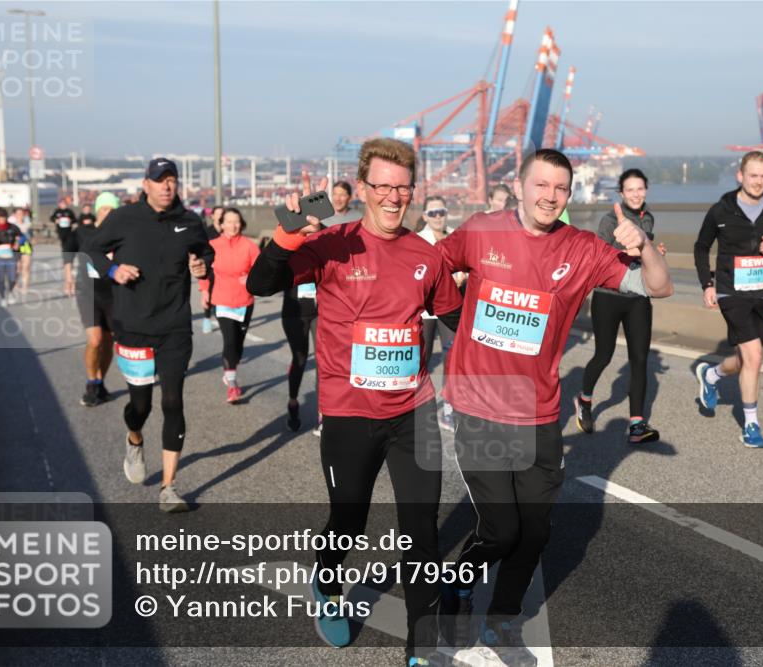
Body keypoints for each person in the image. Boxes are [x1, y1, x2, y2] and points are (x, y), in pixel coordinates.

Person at [435, 149, 673, 666]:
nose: (550, 196)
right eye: (541, 185)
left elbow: (659, 286)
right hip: (479, 406)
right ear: (521, 187)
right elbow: (432, 270)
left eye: (560, 188)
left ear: (569, 195)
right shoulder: (482, 230)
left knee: (536, 532)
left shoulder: (582, 248)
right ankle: (456, 584)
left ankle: (501, 621)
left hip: (540, 413)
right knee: (501, 529)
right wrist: (454, 320)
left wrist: (643, 245)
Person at [247, 138, 463, 667]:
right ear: (362, 189)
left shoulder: (427, 255)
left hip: (414, 411)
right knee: (348, 520)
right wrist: (285, 237)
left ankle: (421, 648)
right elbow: (260, 283)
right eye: (382, 186)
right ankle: (326, 585)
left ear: (413, 191)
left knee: (422, 530)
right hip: (348, 412)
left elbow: (457, 318)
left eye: (402, 188)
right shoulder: (332, 244)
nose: (393, 197)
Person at [87, 157, 213, 512]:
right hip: (134, 326)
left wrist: (202, 265)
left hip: (174, 326)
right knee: (140, 405)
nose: (167, 186)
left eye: (172, 179)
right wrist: (113, 269)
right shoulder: (124, 217)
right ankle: (134, 437)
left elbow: (206, 252)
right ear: (146, 185)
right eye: (160, 180)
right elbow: (92, 249)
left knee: (173, 401)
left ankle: (168, 488)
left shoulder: (190, 220)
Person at [693, 151, 763, 448]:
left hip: (762, 294)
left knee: (746, 359)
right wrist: (707, 284)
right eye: (753, 176)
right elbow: (701, 247)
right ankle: (751, 425)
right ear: (740, 176)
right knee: (755, 357)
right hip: (731, 291)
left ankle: (711, 375)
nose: (758, 182)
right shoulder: (721, 210)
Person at [575, 168, 666, 442]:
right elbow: (598, 257)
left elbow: (645, 253)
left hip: (639, 294)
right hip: (609, 296)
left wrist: (653, 253)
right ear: (621, 193)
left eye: (640, 189)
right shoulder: (608, 220)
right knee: (604, 354)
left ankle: (637, 425)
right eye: (630, 190)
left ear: (646, 190)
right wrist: (633, 252)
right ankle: (584, 400)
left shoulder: (648, 218)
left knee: (639, 359)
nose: (636, 194)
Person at [197, 207, 260, 403]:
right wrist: (204, 290)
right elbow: (204, 270)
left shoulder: (250, 246)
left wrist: (251, 278)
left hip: (245, 300)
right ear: (221, 224)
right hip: (222, 299)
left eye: (236, 222)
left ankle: (231, 367)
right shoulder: (212, 245)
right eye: (229, 222)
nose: (233, 225)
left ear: (241, 224)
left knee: (238, 345)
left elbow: (261, 270)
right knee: (230, 340)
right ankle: (232, 382)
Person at [416, 195, 464, 432]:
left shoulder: (456, 235)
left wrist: (463, 275)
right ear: (425, 216)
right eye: (433, 213)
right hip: (425, 310)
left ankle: (448, 409)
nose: (438, 217)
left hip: (450, 306)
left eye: (441, 212)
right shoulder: (417, 240)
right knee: (420, 360)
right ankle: (416, 407)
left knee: (451, 360)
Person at [76, 192, 120, 407]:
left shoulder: (122, 236)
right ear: (97, 211)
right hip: (88, 292)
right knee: (95, 340)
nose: (108, 213)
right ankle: (91, 383)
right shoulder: (84, 232)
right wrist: (68, 276)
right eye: (104, 209)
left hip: (112, 294)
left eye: (112, 210)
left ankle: (101, 382)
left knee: (109, 341)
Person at [280, 243, 320, 434]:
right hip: (294, 313)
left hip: (321, 312)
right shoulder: (288, 247)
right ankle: (293, 402)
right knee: (300, 358)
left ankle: (322, 413)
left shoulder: (323, 244)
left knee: (324, 361)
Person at [0, 208, 24, 307]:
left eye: (4, 218)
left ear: (6, 218)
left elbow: (23, 237)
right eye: (0, 218)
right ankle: (2, 298)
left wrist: (18, 242)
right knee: (1, 279)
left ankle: (10, 291)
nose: (2, 220)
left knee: (12, 278)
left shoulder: (13, 227)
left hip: (11, 256)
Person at [200, 206, 223, 332]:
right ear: (212, 216)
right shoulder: (207, 232)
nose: (220, 216)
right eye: (218, 214)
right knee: (208, 293)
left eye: (222, 213)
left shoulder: (227, 231)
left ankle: (223, 317)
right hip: (210, 268)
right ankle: (207, 317)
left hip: (224, 268)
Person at [50, 198, 78, 296]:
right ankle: (68, 281)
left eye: (64, 203)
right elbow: (52, 218)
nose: (63, 205)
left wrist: (71, 221)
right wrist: (56, 220)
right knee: (66, 257)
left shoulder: (69, 211)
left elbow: (75, 220)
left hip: (69, 233)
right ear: (59, 204)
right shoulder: (57, 211)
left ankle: (70, 282)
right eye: (61, 203)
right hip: (61, 233)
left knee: (68, 258)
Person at [11, 206, 34, 297]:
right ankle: (15, 283)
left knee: (26, 267)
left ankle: (25, 287)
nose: (20, 215)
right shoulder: (12, 226)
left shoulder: (28, 224)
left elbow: (31, 237)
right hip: (16, 247)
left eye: (21, 214)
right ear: (14, 215)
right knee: (18, 267)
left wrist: (27, 234)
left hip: (26, 246)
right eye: (18, 214)